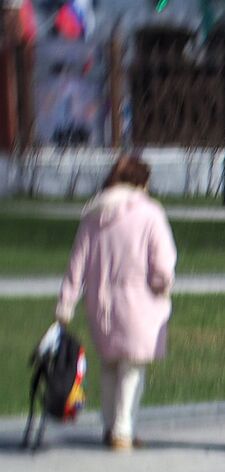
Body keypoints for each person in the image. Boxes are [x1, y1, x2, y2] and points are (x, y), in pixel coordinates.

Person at [55, 154, 175, 451]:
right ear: (140, 183)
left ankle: (109, 426)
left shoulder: (93, 214)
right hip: (138, 301)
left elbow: (77, 263)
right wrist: (161, 285)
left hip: (100, 302)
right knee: (133, 367)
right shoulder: (149, 214)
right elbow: (162, 263)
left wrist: (66, 303)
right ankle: (123, 429)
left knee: (109, 364)